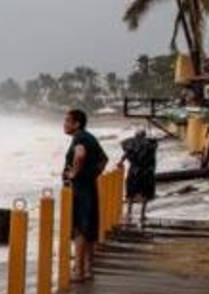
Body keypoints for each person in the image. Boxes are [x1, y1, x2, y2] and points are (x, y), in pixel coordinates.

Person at [62, 109, 107, 282]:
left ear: (77, 124)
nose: (64, 124)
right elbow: (104, 160)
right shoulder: (89, 137)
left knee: (79, 229)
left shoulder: (79, 137)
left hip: (80, 189)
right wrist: (93, 174)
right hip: (89, 187)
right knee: (88, 228)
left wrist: (74, 173)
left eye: (67, 121)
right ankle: (88, 269)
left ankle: (78, 271)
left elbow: (80, 155)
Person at [117, 129, 157, 227]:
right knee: (145, 193)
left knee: (130, 193)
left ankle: (129, 213)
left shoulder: (130, 144)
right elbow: (153, 160)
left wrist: (120, 163)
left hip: (134, 171)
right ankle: (142, 215)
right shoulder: (150, 145)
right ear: (144, 135)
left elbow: (124, 156)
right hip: (147, 172)